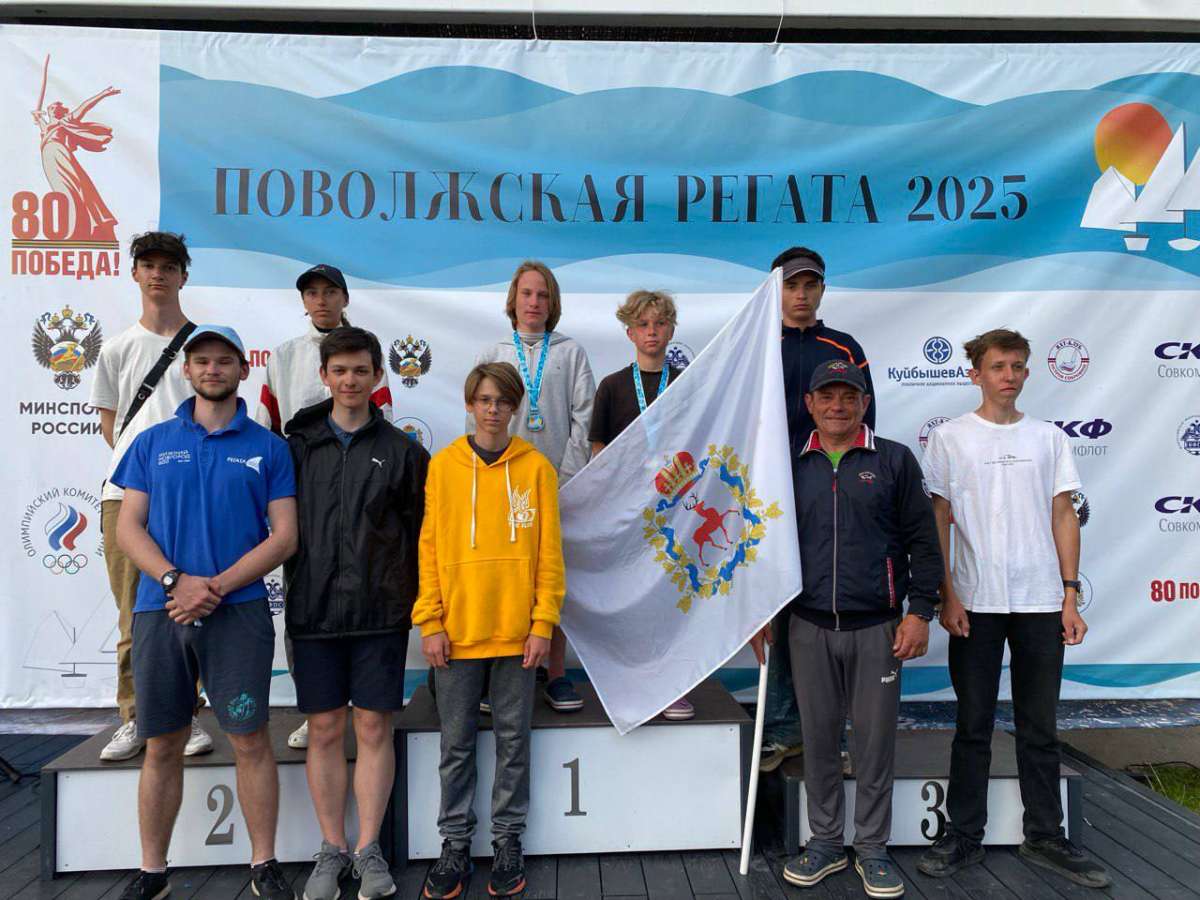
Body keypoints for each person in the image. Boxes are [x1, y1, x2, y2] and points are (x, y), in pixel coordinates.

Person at [917, 330, 1109, 888]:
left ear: (1027, 372)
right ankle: (963, 835)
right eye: (998, 366)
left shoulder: (1049, 437)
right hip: (974, 604)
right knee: (973, 724)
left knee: (1040, 726)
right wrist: (948, 594)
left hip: (1041, 603)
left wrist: (1069, 595)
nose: (1009, 375)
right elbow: (938, 520)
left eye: (1018, 366)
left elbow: (1064, 515)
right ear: (975, 373)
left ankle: (1046, 836)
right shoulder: (949, 438)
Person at [112, 325, 298, 900]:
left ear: (243, 369)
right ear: (186, 371)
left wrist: (212, 587)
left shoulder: (270, 447)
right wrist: (176, 581)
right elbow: (127, 527)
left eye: (224, 361)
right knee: (162, 742)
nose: (212, 369)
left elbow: (284, 537)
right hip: (160, 609)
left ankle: (263, 863)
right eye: (202, 361)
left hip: (237, 612)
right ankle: (153, 872)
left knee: (249, 738)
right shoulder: (151, 442)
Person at [756, 360, 939, 899]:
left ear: (864, 403)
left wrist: (920, 611)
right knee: (817, 742)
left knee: (874, 745)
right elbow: (765, 542)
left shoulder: (894, 460)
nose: (837, 406)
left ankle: (873, 848)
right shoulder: (788, 464)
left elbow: (924, 543)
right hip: (807, 626)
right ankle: (826, 843)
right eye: (827, 396)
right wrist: (758, 609)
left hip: (878, 627)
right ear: (809, 404)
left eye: (848, 396)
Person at [285, 327, 429, 900]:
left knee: (372, 727)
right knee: (323, 730)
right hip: (313, 611)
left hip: (380, 613)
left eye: (360, 371)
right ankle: (331, 848)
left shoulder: (404, 452)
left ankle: (368, 849)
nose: (350, 380)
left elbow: (422, 538)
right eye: (340, 370)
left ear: (377, 376)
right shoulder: (296, 447)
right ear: (324, 375)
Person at [415, 362, 565, 899]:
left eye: (502, 400)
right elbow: (429, 549)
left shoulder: (537, 469)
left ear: (515, 407)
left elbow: (550, 556)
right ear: (469, 404)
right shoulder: (443, 467)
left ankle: (507, 841)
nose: (493, 409)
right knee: (455, 745)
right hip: (455, 635)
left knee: (513, 743)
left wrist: (542, 624)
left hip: (518, 635)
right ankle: (454, 844)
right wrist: (430, 621)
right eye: (484, 400)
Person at [255, 263, 394, 752]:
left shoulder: (365, 351)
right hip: (301, 502)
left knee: (366, 594)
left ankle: (364, 707)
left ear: (344, 298)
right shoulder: (285, 355)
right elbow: (267, 430)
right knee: (303, 602)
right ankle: (314, 708)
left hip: (360, 501)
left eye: (330, 291)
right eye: (312, 292)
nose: (320, 300)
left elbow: (383, 424)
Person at [90, 231, 212, 762]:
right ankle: (134, 715)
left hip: (190, 494)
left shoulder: (204, 347)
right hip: (126, 495)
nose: (158, 274)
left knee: (193, 606)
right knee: (133, 614)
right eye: (149, 265)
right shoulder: (116, 348)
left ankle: (189, 714)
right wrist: (147, 472)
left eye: (169, 265)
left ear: (184, 275)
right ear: (135, 273)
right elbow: (111, 426)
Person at [760, 246, 878, 774]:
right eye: (791, 285)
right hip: (769, 497)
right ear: (776, 290)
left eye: (810, 285)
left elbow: (866, 420)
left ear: (823, 290)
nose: (801, 295)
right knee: (782, 612)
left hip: (830, 491)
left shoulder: (845, 347)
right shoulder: (757, 343)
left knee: (834, 613)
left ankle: (834, 736)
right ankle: (784, 729)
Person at [473, 261, 593, 713]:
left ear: (553, 302)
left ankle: (556, 674)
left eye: (543, 295)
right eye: (526, 293)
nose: (534, 302)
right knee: (504, 577)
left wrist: (566, 480)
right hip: (503, 485)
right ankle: (501, 672)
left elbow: (584, 417)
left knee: (552, 579)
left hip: (557, 485)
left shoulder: (570, 353)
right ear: (513, 299)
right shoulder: (495, 351)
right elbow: (478, 420)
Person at [589, 289, 692, 720]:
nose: (652, 332)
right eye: (643, 325)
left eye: (660, 324)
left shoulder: (687, 382)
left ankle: (669, 686)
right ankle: (627, 683)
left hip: (675, 512)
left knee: (668, 598)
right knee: (630, 597)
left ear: (671, 330)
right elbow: (598, 454)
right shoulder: (612, 386)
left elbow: (698, 443)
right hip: (628, 514)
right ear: (630, 332)